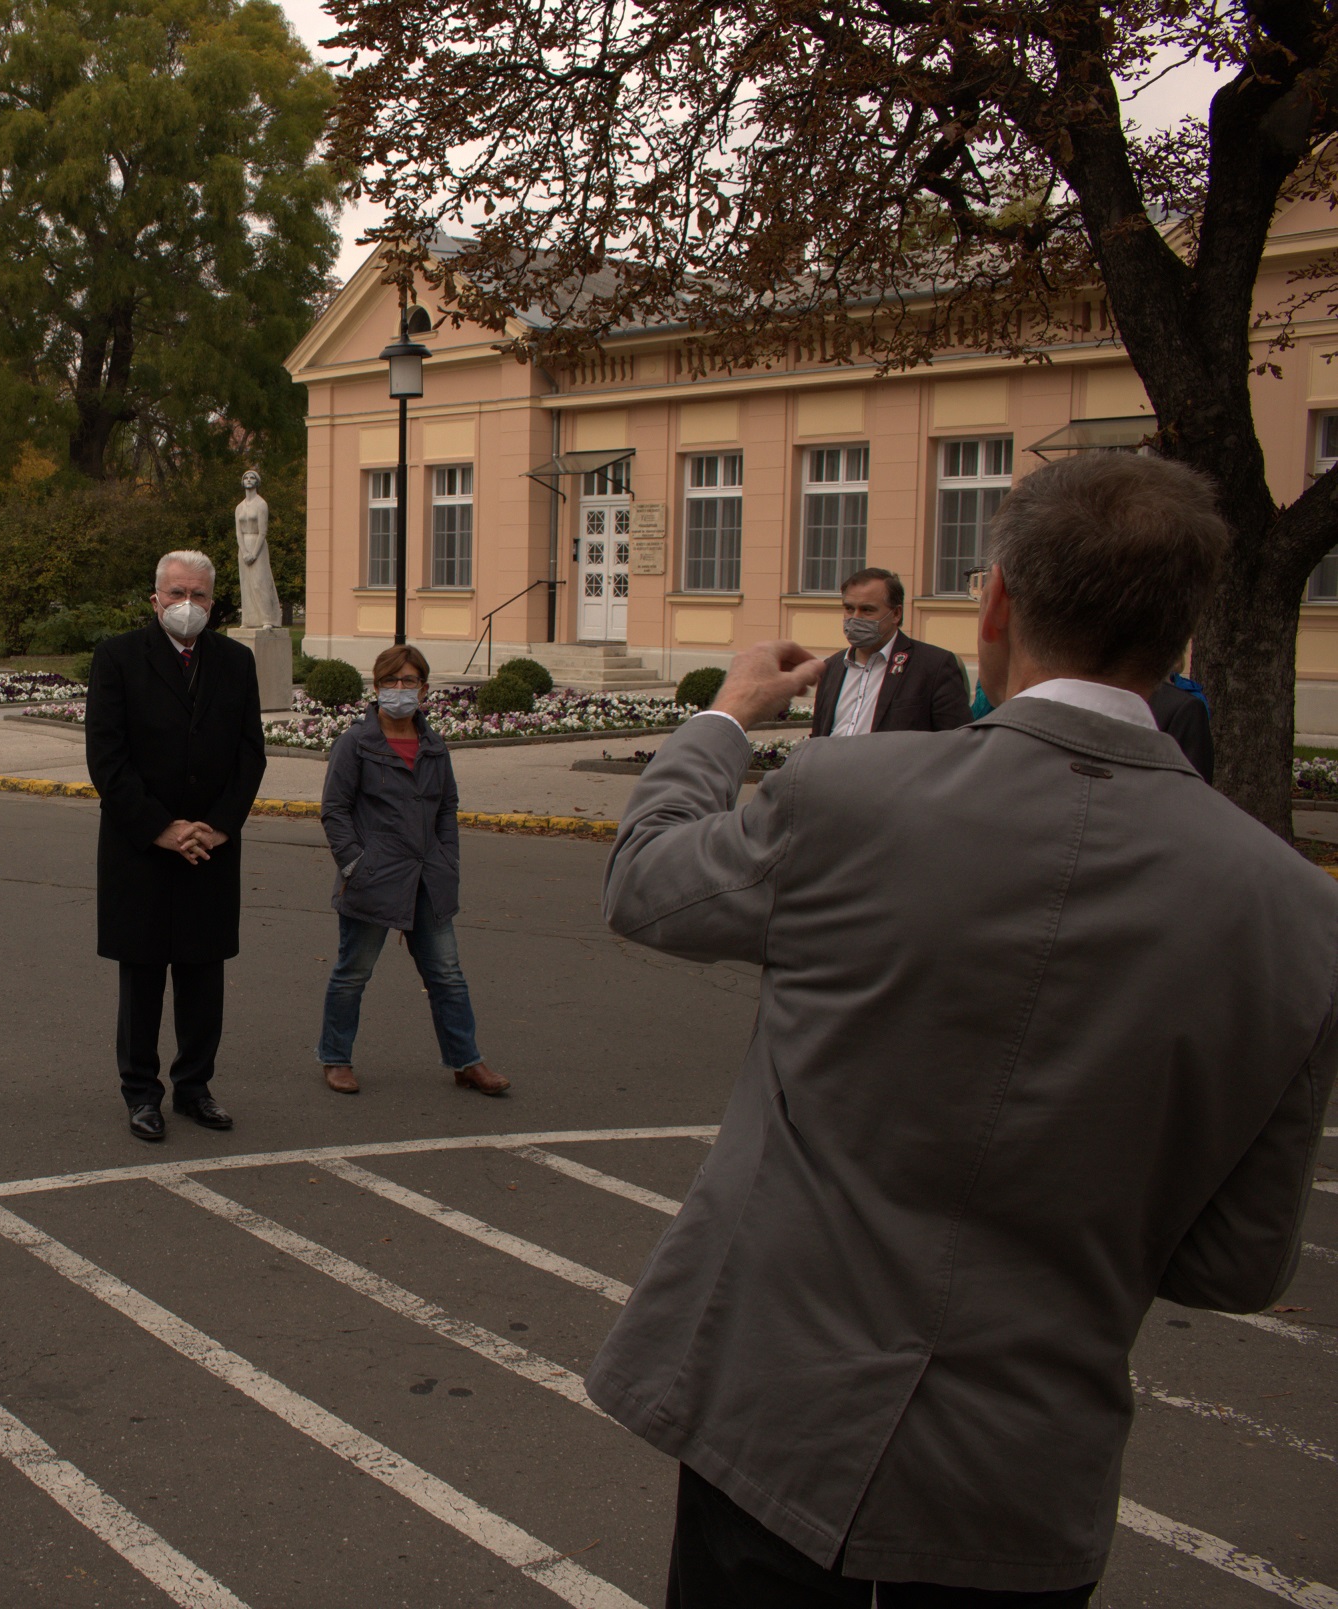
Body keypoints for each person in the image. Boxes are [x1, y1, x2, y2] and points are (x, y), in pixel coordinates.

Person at [595, 450, 1338, 1605]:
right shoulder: (1296, 914)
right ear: (1179, 635)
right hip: (1020, 1478)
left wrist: (725, 718)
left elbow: (646, 880)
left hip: (778, 1426)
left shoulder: (851, 801)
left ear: (995, 600)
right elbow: (1237, 1260)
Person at [84, 549, 267, 1141]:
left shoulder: (236, 662)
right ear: (155, 598)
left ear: (215, 602)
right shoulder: (117, 658)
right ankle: (141, 1093)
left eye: (200, 596)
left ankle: (195, 1088)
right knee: (142, 978)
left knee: (202, 976)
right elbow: (107, 759)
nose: (187, 606)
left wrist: (216, 826)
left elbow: (249, 754)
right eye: (176, 594)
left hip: (210, 847)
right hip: (141, 848)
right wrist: (162, 828)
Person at [315, 644, 506, 1096]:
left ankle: (467, 1061)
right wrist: (356, 864)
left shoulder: (434, 745)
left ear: (423, 687)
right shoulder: (355, 743)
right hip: (373, 880)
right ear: (376, 687)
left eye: (408, 681)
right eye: (390, 681)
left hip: (428, 879)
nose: (399, 689)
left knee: (447, 975)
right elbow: (334, 811)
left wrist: (448, 859)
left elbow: (447, 807)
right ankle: (336, 1059)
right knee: (353, 973)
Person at [808, 567, 970, 736]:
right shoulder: (831, 667)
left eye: (867, 610)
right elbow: (819, 735)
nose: (855, 618)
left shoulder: (934, 666)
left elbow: (956, 741)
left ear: (896, 614)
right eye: (849, 608)